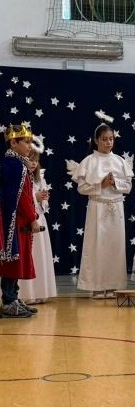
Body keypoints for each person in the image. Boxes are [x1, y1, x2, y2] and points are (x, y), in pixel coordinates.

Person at [71, 113, 133, 298]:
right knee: (96, 246)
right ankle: (97, 286)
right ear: (96, 140)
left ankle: (113, 285)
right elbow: (82, 188)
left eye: (111, 139)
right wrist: (101, 185)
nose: (108, 142)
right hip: (97, 208)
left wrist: (115, 183)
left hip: (116, 208)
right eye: (104, 139)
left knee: (115, 247)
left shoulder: (120, 161)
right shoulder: (89, 161)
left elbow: (128, 187)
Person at [0, 123, 41, 318]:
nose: (30, 146)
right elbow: (21, 197)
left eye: (31, 142)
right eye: (26, 142)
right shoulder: (14, 166)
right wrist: (33, 218)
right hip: (14, 222)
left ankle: (13, 298)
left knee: (17, 260)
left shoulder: (18, 164)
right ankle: (9, 301)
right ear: (13, 143)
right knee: (12, 260)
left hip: (19, 221)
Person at [19, 144, 57, 304]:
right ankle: (26, 294)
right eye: (30, 159)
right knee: (29, 255)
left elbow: (45, 202)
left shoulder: (40, 179)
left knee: (40, 256)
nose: (33, 163)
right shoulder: (20, 177)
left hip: (39, 218)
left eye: (36, 160)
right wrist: (35, 197)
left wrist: (43, 199)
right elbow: (21, 199)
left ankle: (40, 292)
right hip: (26, 220)